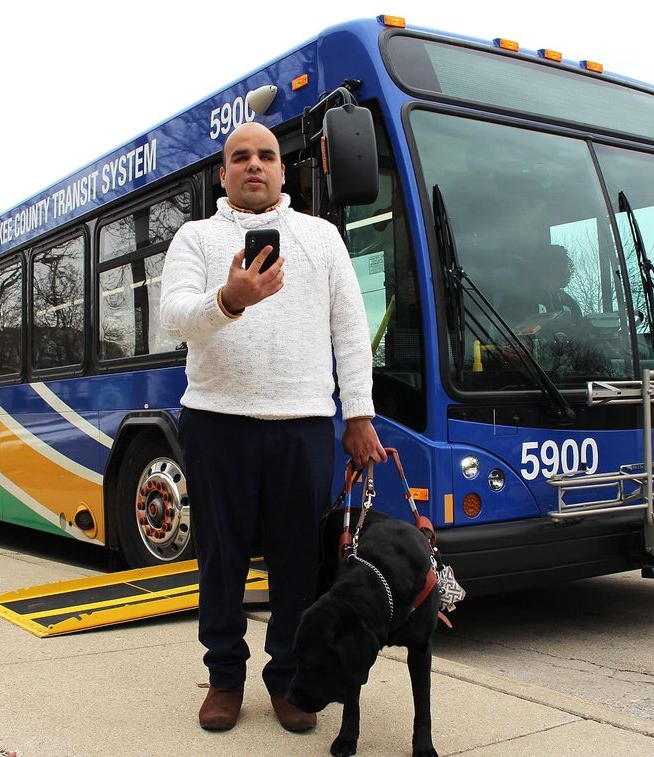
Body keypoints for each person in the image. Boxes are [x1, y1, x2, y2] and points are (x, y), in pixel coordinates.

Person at [159, 122, 386, 734]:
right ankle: (225, 679)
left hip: (305, 424)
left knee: (296, 566)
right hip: (216, 423)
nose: (253, 165)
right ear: (223, 174)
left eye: (266, 156)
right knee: (221, 561)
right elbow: (175, 317)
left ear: (285, 171)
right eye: (240, 158)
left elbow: (350, 330)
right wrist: (229, 299)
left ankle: (287, 681)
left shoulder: (321, 237)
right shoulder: (196, 238)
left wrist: (358, 415)